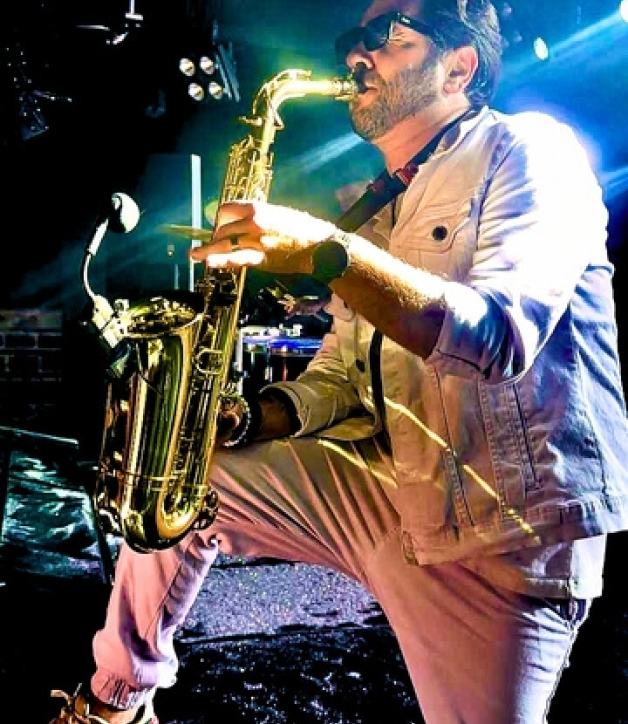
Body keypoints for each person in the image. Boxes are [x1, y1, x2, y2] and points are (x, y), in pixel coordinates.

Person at [49, 0, 628, 722]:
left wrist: (325, 251)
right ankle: (115, 703)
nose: (357, 54)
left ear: (459, 68)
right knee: (188, 478)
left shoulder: (531, 150)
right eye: (354, 39)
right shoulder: (383, 206)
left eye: (386, 36)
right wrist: (256, 415)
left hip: (504, 540)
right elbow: (342, 377)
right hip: (388, 496)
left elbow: (500, 337)